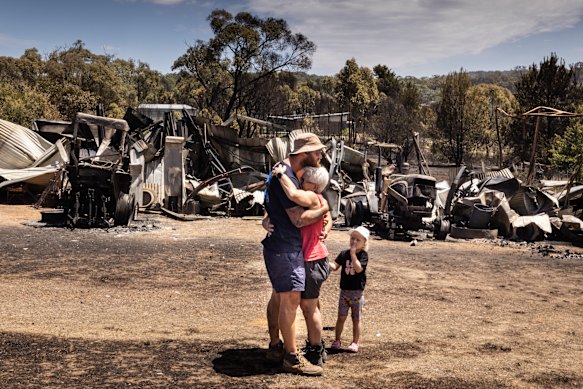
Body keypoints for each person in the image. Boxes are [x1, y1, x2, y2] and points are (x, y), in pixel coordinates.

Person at [262, 132, 329, 376]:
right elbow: (298, 219)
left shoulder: (281, 170)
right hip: (286, 248)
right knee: (290, 301)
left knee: (279, 298)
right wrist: (323, 209)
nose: (321, 155)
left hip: (279, 246)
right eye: (317, 151)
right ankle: (291, 357)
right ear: (304, 154)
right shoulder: (285, 175)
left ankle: (275, 347)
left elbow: (271, 206)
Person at [271, 164, 332, 366]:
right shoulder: (318, 200)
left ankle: (315, 351)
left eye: (304, 179)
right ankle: (316, 348)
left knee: (309, 307)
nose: (300, 181)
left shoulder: (314, 199)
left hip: (312, 260)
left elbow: (294, 195)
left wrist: (280, 175)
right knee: (310, 306)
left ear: (313, 185)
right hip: (312, 259)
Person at [328, 225, 370, 353]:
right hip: (344, 292)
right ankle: (337, 340)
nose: (354, 242)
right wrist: (324, 260)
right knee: (341, 317)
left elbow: (358, 269)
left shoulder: (363, 255)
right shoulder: (343, 254)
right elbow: (335, 267)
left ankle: (355, 342)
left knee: (356, 319)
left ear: (364, 243)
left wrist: (353, 255)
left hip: (357, 293)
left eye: (358, 240)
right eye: (352, 238)